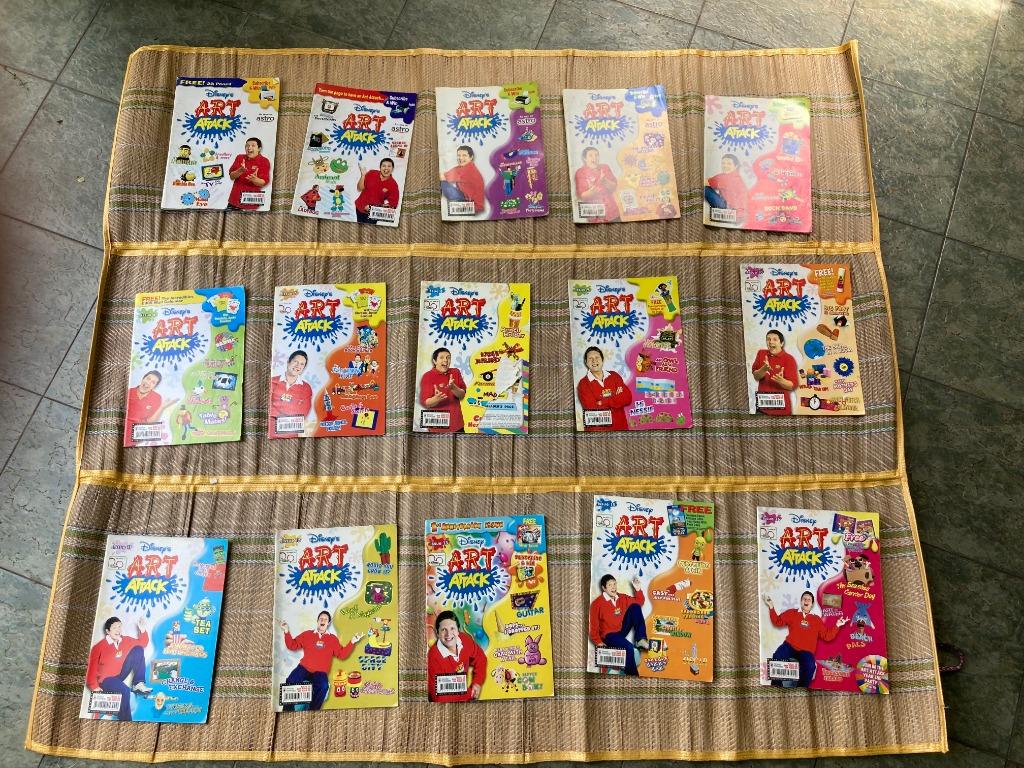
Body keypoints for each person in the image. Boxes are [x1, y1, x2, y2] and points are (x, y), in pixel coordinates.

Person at [764, 592, 848, 687]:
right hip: (789, 646)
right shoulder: (792, 613)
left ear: (812, 604)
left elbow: (827, 636)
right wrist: (771, 606)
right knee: (777, 656)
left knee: (810, 666)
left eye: (809, 600)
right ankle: (776, 687)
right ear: (801, 601)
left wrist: (837, 625)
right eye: (804, 599)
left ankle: (801, 690)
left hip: (806, 651)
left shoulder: (816, 619)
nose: (806, 601)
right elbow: (777, 621)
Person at [280, 612, 362, 710]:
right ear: (317, 621)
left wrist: (352, 641)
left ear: (328, 623)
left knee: (323, 686)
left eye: (325, 619)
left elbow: (342, 655)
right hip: (304, 668)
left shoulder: (332, 639)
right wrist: (286, 631)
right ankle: (287, 711)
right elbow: (292, 645)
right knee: (290, 681)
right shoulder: (307, 634)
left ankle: (313, 711)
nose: (323, 621)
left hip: (320, 672)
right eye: (321, 619)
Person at [86, 617, 152, 721]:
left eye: (119, 627)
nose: (118, 630)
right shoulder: (98, 647)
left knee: (138, 649)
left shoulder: (125, 640)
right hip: (105, 680)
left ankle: (138, 684)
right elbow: (92, 669)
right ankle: (125, 720)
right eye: (114, 628)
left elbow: (143, 643)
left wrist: (142, 630)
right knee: (124, 690)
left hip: (120, 674)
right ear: (108, 631)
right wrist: (94, 687)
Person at [588, 575, 649, 676]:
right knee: (628, 647)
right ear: (604, 588)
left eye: (614, 584)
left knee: (635, 607)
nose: (613, 587)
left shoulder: (621, 597)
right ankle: (633, 676)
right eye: (610, 585)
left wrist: (638, 589)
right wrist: (598, 642)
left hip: (620, 630)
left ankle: (641, 639)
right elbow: (593, 627)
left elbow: (639, 602)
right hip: (608, 635)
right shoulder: (596, 604)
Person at [427, 610, 487, 702]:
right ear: (437, 633)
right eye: (443, 630)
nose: (448, 634)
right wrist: (469, 693)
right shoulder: (433, 657)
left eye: (452, 628)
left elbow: (481, 658)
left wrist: (477, 682)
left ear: (458, 630)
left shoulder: (464, 640)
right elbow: (440, 698)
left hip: (464, 697)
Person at [576, 346, 631, 431]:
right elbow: (592, 409)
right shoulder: (583, 384)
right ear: (586, 362)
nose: (594, 361)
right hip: (598, 433)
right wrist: (615, 396)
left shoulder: (614, 376)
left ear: (602, 359)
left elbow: (627, 397)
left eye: (597, 357)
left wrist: (602, 401)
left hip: (621, 429)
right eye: (590, 358)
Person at [124, 370, 178, 446]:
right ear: (143, 378)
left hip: (136, 437)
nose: (148, 383)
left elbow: (150, 421)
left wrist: (162, 407)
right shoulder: (129, 392)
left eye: (153, 382)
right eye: (148, 378)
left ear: (155, 386)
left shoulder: (156, 398)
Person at [419, 347, 466, 432]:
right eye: (441, 357)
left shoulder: (455, 372)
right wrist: (436, 399)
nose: (446, 360)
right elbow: (426, 403)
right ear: (434, 361)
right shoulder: (427, 376)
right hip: (437, 427)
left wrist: (453, 388)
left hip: (457, 425)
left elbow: (462, 395)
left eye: (448, 357)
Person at [751, 330, 798, 415]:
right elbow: (756, 377)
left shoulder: (789, 359)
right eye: (768, 339)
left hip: (782, 411)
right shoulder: (761, 353)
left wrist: (782, 381)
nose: (770, 342)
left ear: (782, 343)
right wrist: (764, 369)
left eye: (774, 339)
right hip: (762, 408)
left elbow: (792, 386)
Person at [269, 351, 313, 436]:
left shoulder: (306, 388)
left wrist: (278, 408)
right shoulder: (272, 381)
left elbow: (302, 414)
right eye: (295, 361)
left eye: (302, 364)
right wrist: (292, 407)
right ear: (288, 362)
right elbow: (268, 408)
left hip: (291, 435)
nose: (298, 366)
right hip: (270, 431)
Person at [573, 147, 620, 222]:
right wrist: (592, 192)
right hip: (595, 216)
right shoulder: (580, 172)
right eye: (591, 155)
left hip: (613, 212)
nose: (594, 157)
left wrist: (604, 181)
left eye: (597, 155)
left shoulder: (605, 167)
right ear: (584, 158)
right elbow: (581, 196)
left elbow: (614, 187)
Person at [227, 137, 271, 211]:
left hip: (251, 203)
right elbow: (231, 176)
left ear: (259, 149)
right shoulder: (240, 157)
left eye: (253, 145)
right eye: (247, 145)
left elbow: (263, 182)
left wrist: (255, 180)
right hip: (234, 201)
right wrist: (240, 170)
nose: (249, 148)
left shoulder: (264, 161)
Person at [440, 145, 485, 214]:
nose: (460, 158)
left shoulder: (467, 170)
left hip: (474, 207)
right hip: (466, 198)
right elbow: (444, 174)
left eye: (464, 155)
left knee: (443, 183)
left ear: (471, 157)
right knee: (444, 183)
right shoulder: (464, 167)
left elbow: (442, 177)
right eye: (459, 155)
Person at [704, 153, 748, 224]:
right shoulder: (737, 177)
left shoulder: (725, 177)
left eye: (729, 164)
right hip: (741, 215)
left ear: (736, 166)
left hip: (730, 212)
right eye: (723, 163)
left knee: (705, 188)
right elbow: (710, 180)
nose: (725, 166)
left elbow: (704, 182)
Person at [355, 158, 399, 223]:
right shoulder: (371, 173)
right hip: (359, 207)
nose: (386, 168)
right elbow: (359, 188)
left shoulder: (393, 185)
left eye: (389, 166)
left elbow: (393, 204)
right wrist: (363, 175)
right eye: (384, 166)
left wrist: (373, 208)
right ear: (380, 167)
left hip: (374, 213)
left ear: (392, 169)